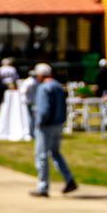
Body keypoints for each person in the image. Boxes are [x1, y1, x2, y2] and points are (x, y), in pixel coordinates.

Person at [27, 63, 77, 197]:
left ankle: (43, 187)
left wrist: (39, 123)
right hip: (58, 124)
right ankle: (69, 179)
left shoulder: (44, 88)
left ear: (41, 75)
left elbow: (44, 109)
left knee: (41, 156)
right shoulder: (58, 86)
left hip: (46, 126)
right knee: (55, 153)